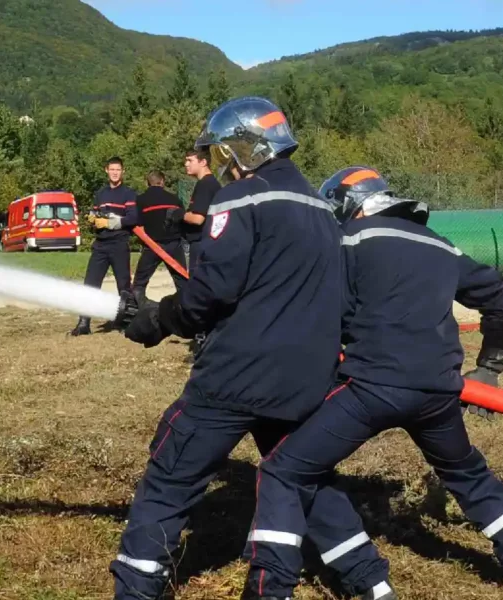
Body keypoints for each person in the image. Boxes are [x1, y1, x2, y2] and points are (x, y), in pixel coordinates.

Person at [117, 98, 392, 600]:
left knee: (171, 473)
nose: (223, 162)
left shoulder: (241, 198)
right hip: (306, 378)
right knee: (306, 478)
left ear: (245, 148)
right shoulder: (322, 210)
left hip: (237, 375)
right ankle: (370, 581)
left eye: (225, 152)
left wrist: (158, 319)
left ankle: (136, 586)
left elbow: (211, 292)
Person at [246, 167, 503, 600]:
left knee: (287, 470)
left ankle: (293, 587)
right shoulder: (442, 246)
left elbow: (316, 306)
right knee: (467, 474)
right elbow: (501, 301)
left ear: (347, 205)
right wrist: (490, 366)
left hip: (371, 389)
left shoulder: (350, 241)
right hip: (437, 392)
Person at [70, 157, 137, 336]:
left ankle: (125, 323)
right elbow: (94, 213)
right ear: (106, 170)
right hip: (100, 245)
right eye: (112, 169)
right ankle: (84, 323)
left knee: (123, 285)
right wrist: (92, 219)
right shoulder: (100, 194)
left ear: (123, 171)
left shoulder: (128, 194)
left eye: (118, 169)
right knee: (90, 284)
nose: (115, 172)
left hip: (119, 244)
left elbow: (133, 218)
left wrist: (109, 223)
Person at [131, 170, 187, 305]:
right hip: (174, 245)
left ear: (147, 183)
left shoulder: (141, 200)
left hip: (152, 246)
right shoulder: (174, 199)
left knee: (140, 282)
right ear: (162, 181)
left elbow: (138, 225)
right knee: (182, 281)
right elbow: (182, 221)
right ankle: (184, 311)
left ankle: (138, 309)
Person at [167, 148, 221, 274]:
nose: (186, 164)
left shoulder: (205, 184)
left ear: (203, 162)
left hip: (202, 243)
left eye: (190, 160)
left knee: (198, 285)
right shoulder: (209, 183)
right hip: (207, 243)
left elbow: (197, 218)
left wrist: (178, 214)